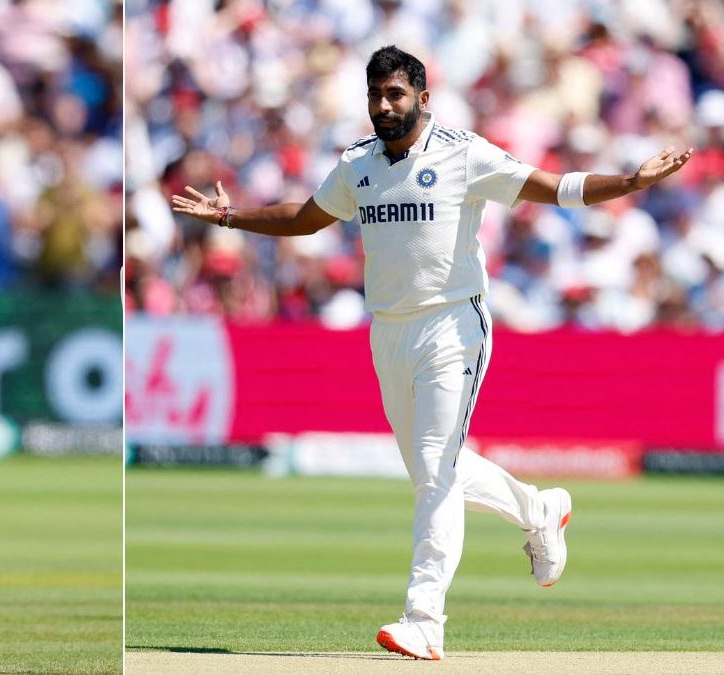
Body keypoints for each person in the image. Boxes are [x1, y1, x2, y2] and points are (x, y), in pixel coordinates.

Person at [171, 45, 692, 661]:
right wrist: (230, 217)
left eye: (395, 94)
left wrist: (631, 181)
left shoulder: (461, 151)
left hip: (454, 326)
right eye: (375, 95)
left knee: (435, 472)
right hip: (388, 330)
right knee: (431, 468)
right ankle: (539, 508)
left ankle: (425, 619)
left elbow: (552, 187)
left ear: (422, 97)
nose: (383, 106)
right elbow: (305, 219)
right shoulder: (358, 163)